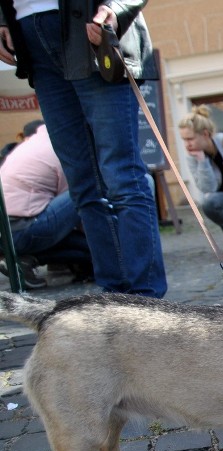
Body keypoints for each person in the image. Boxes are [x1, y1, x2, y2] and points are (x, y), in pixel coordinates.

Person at [0, 0, 168, 298]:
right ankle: (111, 295)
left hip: (90, 27)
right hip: (29, 38)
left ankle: (146, 299)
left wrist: (116, 7)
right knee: (83, 186)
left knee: (123, 177)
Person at [0, 121, 93, 288]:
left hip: (6, 233)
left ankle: (24, 261)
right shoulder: (64, 148)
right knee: (87, 190)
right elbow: (81, 207)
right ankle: (27, 261)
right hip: (22, 229)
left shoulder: (32, 143)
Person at [178, 105, 223, 255]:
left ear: (206, 134)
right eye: (184, 140)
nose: (187, 144)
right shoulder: (194, 157)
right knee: (209, 203)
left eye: (190, 139)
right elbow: (208, 189)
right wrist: (202, 161)